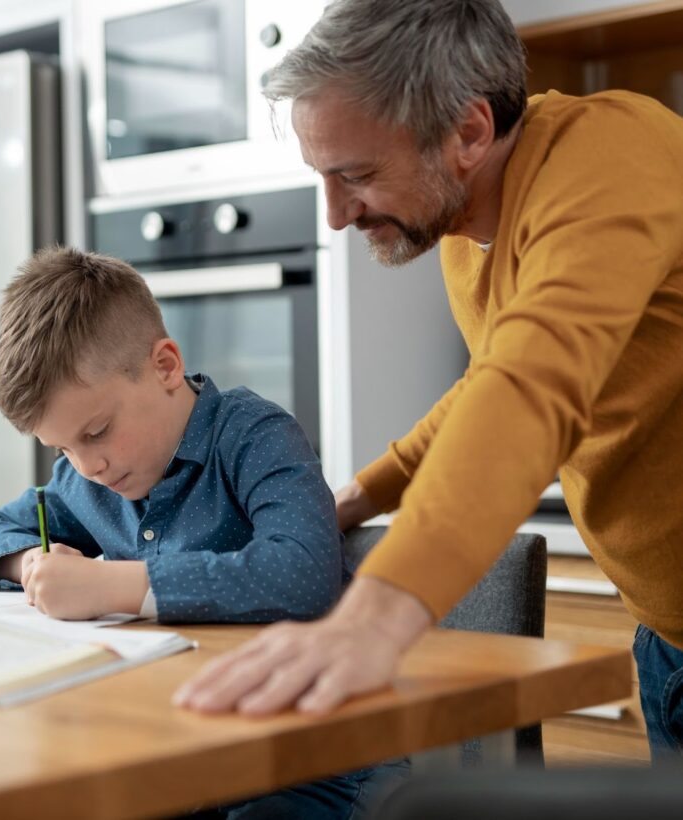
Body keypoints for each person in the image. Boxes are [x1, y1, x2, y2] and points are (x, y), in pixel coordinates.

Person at [172, 0, 683, 764]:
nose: (338, 215)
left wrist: (378, 614)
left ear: (470, 133)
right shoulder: (466, 230)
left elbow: (531, 384)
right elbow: (488, 383)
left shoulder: (613, 153)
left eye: (358, 176)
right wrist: (365, 491)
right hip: (668, 637)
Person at [0, 246, 407, 816]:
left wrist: (110, 587)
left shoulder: (256, 436)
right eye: (62, 448)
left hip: (316, 757)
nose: (87, 466)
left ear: (166, 366)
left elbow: (302, 574)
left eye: (97, 432)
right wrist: (32, 566)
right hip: (180, 748)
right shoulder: (92, 479)